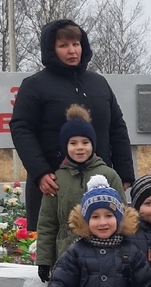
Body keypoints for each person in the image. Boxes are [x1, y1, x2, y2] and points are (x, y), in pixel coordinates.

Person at [10, 19, 136, 225]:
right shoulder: (34, 86)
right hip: (54, 186)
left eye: (76, 44)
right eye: (63, 45)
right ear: (51, 49)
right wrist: (40, 172)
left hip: (100, 182)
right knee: (56, 249)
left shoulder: (99, 83)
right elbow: (22, 130)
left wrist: (124, 173)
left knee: (103, 245)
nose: (72, 51)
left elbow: (117, 127)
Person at [36, 105, 125, 281]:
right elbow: (47, 223)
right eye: (73, 143)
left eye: (85, 142)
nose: (80, 148)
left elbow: (123, 217)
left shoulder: (109, 175)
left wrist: (125, 253)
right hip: (66, 255)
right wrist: (44, 260)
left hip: (105, 254)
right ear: (65, 145)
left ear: (93, 144)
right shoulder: (57, 179)